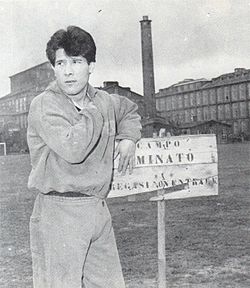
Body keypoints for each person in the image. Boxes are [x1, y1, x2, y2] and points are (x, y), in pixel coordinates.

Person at [27, 25, 141, 288]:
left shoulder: (103, 99)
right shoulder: (45, 104)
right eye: (60, 63)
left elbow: (130, 111)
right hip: (60, 211)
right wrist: (98, 107)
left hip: (97, 209)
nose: (67, 71)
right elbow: (73, 149)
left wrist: (128, 138)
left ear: (91, 66)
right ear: (53, 67)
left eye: (76, 62)